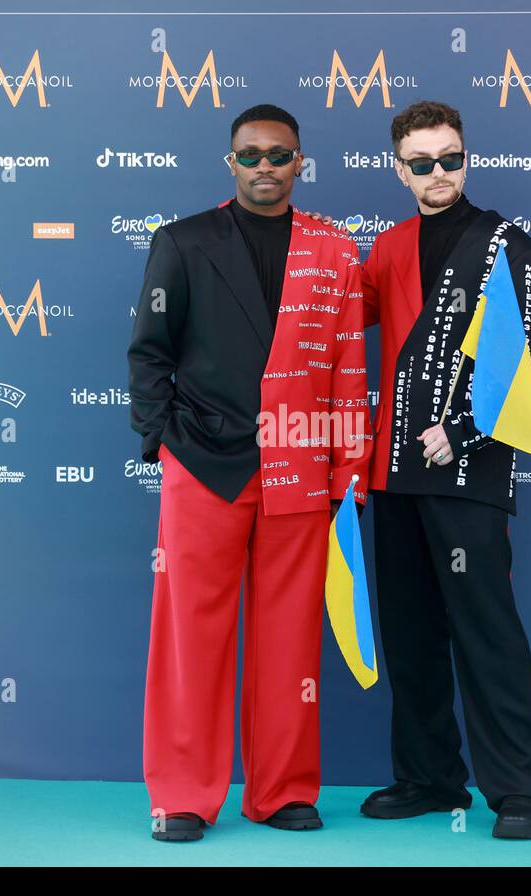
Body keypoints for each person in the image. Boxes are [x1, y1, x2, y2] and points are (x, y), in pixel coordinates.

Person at [127, 103, 372, 842]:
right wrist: (166, 440)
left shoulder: (333, 250)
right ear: (229, 163)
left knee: (290, 636)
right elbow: (149, 353)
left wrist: (345, 465)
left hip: (301, 459)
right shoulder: (184, 241)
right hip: (204, 463)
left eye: (280, 154)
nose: (265, 165)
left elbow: (347, 367)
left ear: (302, 163)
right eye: (251, 154)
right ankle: (181, 795)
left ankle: (284, 791)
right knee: (189, 637)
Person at [357, 99, 531, 839]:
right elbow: (339, 322)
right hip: (393, 472)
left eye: (451, 158)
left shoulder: (509, 247)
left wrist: (466, 431)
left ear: (466, 158)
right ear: (399, 168)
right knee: (409, 632)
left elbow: (527, 359)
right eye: (422, 162)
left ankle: (522, 791)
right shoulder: (387, 245)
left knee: (486, 630)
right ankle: (430, 777)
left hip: (468, 473)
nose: (439, 173)